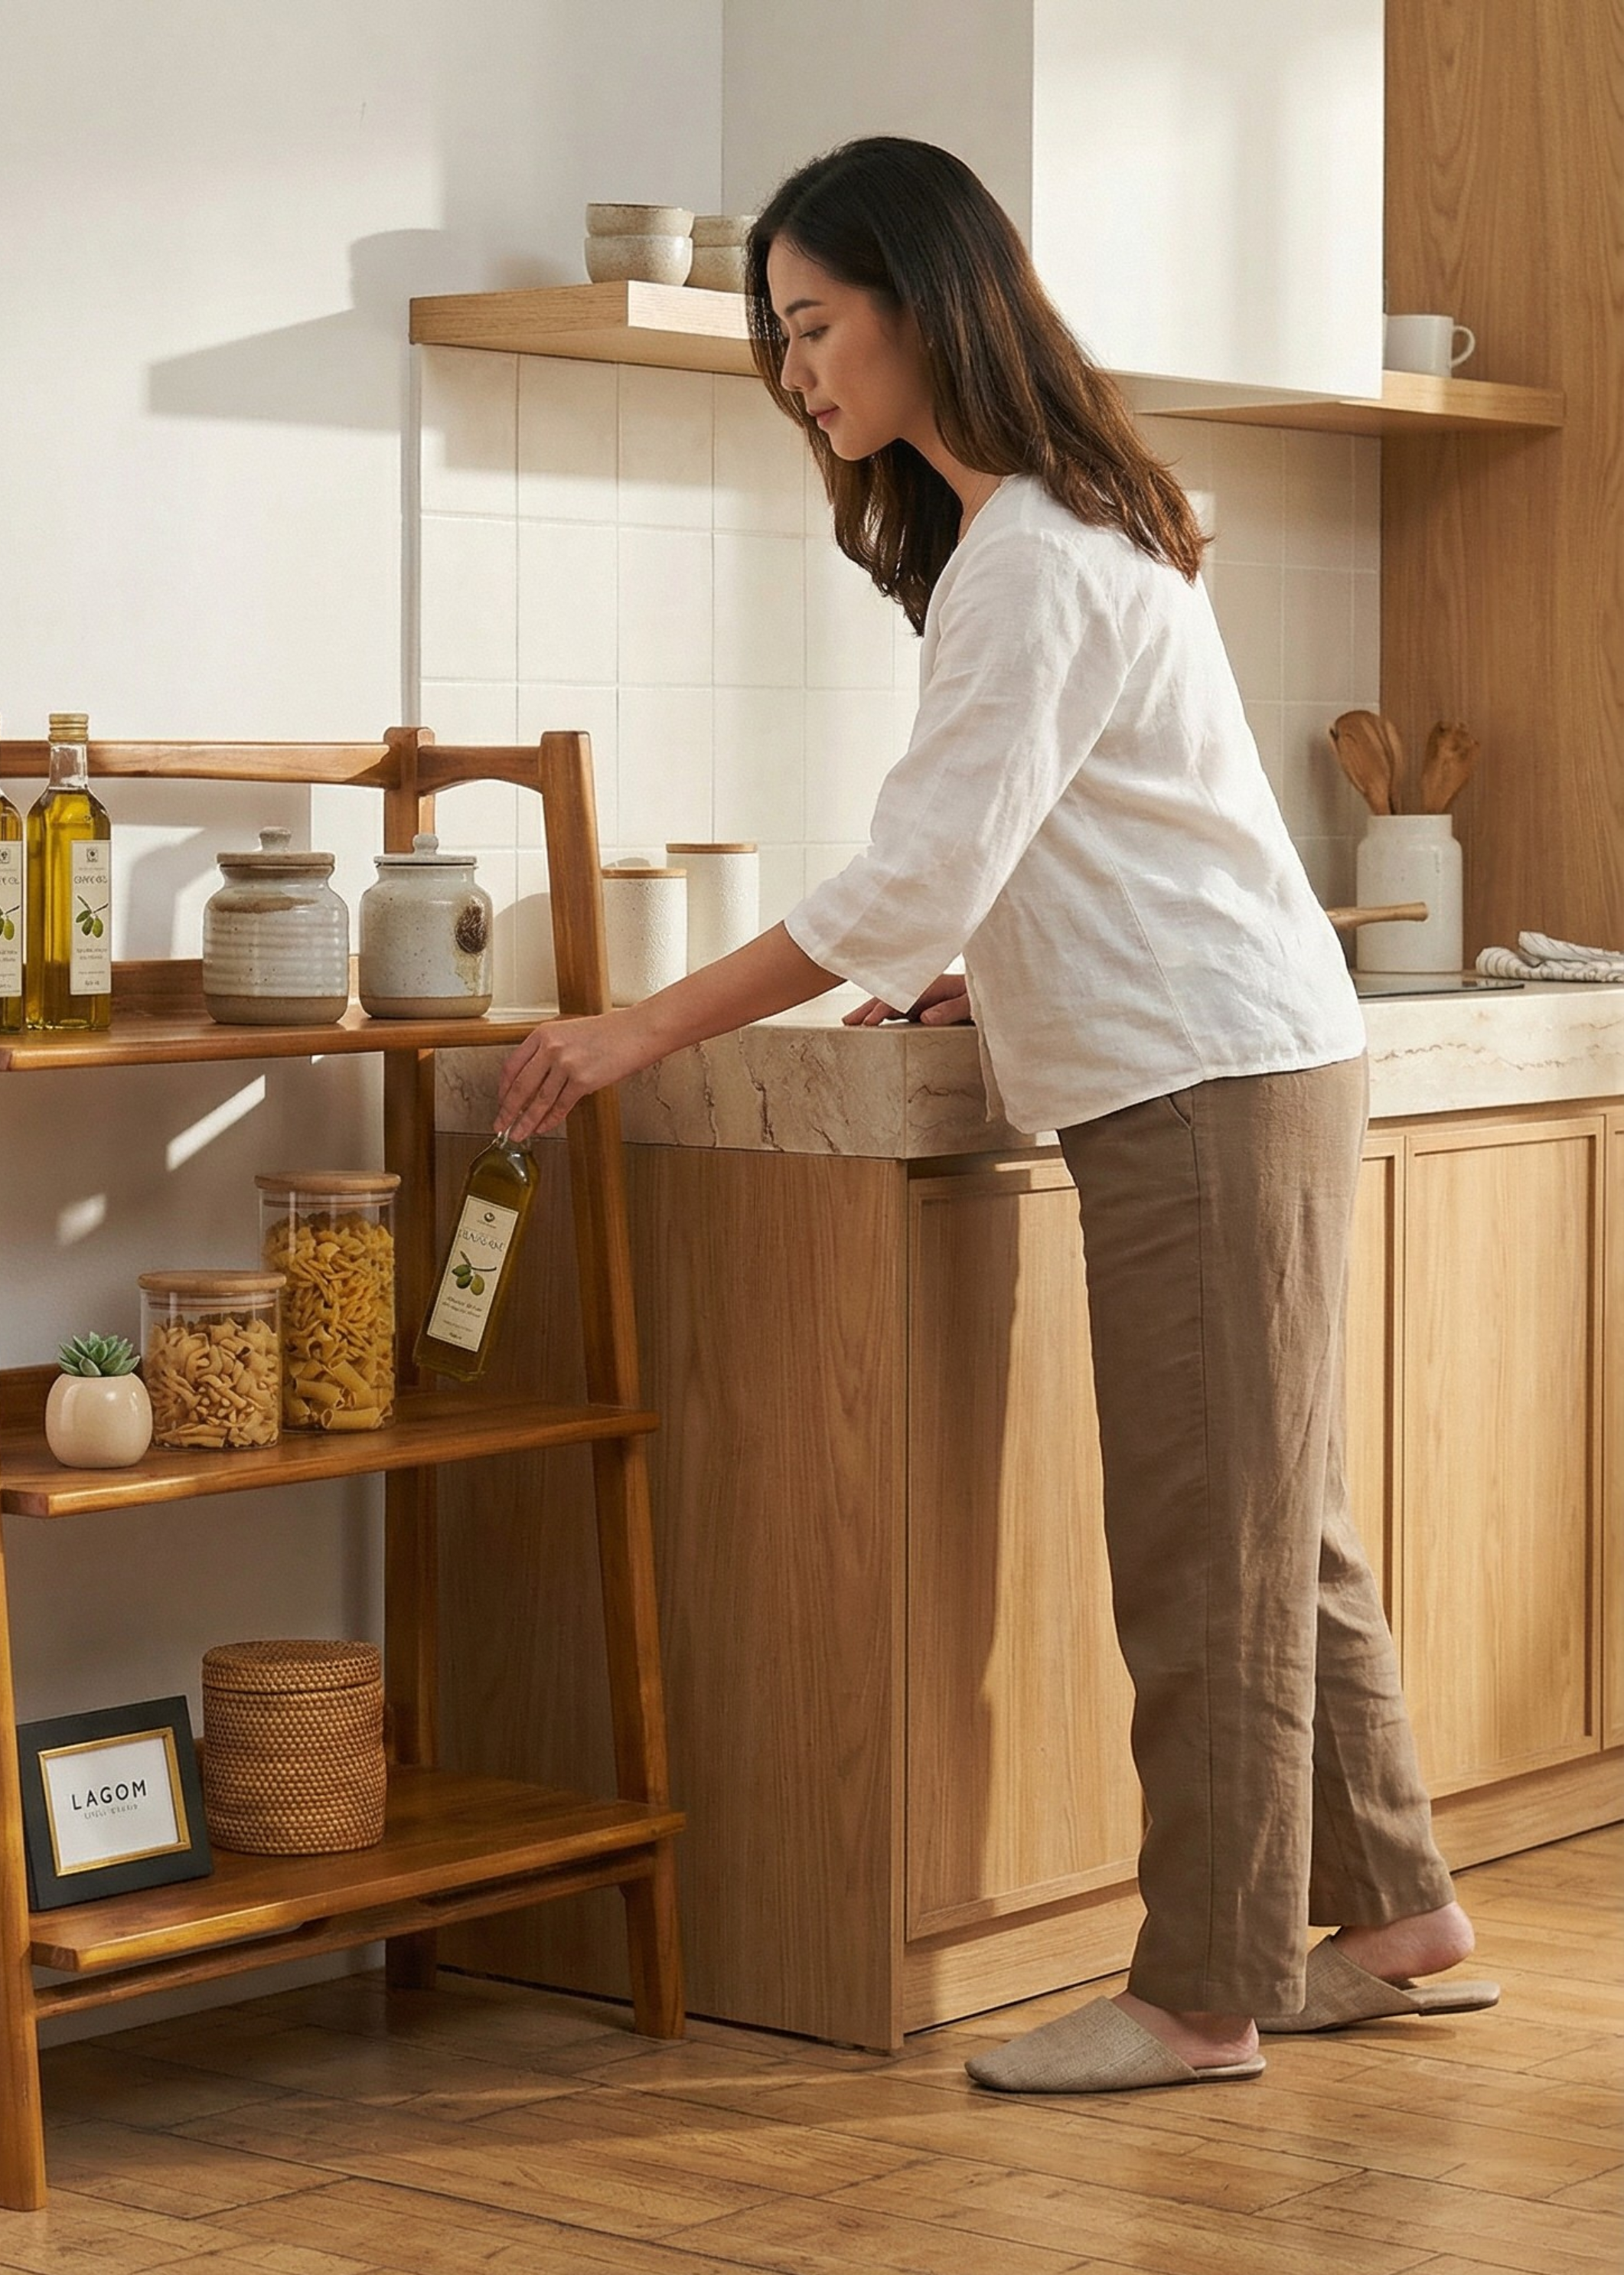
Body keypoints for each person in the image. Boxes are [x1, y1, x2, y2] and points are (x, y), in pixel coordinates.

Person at [494, 136, 1497, 2095]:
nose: (797, 374)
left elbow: (907, 881)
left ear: (921, 301)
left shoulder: (1032, 556)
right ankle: (1396, 1909)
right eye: (777, 336)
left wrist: (639, 1027)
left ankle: (1202, 1994)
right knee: (1277, 1535)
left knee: (1211, 1551)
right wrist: (992, 958)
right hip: (1232, 1058)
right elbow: (1043, 850)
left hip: (1205, 1082)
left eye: (812, 324)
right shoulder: (1065, 524)